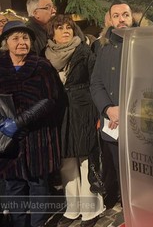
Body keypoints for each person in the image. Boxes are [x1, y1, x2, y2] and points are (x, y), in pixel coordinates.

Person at [0, 21, 62, 227]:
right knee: (13, 186)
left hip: (38, 137)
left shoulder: (42, 66)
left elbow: (51, 99)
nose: (21, 43)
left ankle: (38, 224)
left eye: (25, 38)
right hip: (8, 139)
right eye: (16, 38)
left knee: (38, 186)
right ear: (6, 42)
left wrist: (20, 121)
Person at [45, 15, 104, 227]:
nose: (65, 31)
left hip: (83, 109)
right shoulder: (46, 56)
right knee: (66, 162)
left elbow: (96, 82)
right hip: (60, 114)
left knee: (86, 159)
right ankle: (72, 207)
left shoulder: (84, 52)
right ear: (52, 33)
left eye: (69, 27)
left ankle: (91, 209)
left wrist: (98, 112)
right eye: (59, 28)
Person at [90, 1, 135, 227]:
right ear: (110, 20)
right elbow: (96, 83)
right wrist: (108, 109)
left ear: (132, 17)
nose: (121, 19)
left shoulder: (144, 44)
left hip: (139, 122)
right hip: (113, 123)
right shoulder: (103, 47)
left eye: (125, 14)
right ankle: (128, 208)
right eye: (116, 15)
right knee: (119, 168)